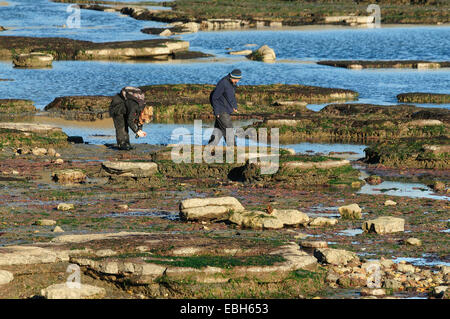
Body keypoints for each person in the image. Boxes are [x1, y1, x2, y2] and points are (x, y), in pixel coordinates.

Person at [207, 69, 242, 146]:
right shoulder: (223, 83)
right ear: (233, 77)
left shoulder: (232, 84)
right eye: (237, 79)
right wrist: (217, 111)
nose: (237, 81)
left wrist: (234, 106)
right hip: (221, 111)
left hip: (226, 109)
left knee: (218, 131)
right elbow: (214, 97)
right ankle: (233, 149)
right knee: (229, 130)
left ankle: (210, 147)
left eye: (239, 80)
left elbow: (231, 96)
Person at [109, 86, 149, 150]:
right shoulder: (135, 107)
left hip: (125, 107)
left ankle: (127, 143)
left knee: (125, 127)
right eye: (144, 120)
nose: (143, 121)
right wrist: (136, 131)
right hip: (117, 107)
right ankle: (121, 144)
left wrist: (140, 129)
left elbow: (140, 120)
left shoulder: (142, 107)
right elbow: (129, 121)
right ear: (142, 113)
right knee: (121, 127)